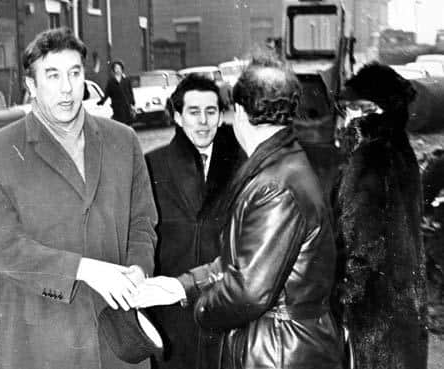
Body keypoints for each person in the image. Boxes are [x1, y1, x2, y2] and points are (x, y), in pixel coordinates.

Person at [134, 56, 343, 369]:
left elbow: (248, 290)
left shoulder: (274, 184)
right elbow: (246, 262)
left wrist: (198, 311)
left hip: (278, 353)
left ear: (240, 112)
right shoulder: (283, 165)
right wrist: (182, 286)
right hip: (280, 345)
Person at [0, 27, 157, 369]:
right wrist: (84, 269)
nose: (67, 88)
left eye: (75, 73)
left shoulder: (124, 141)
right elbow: (7, 250)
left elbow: (142, 222)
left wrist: (139, 268)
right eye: (52, 76)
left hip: (119, 340)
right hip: (43, 345)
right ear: (31, 86)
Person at [145, 74, 244, 369]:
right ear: (177, 116)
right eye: (194, 112)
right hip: (172, 307)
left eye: (210, 112)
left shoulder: (242, 163)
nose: (203, 121)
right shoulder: (152, 165)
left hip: (223, 304)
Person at [334, 62, 428, 369]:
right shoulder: (401, 149)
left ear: (372, 110)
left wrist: (342, 301)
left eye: (352, 107)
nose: (344, 116)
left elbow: (364, 245)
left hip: (374, 314)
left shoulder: (368, 159)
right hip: (404, 305)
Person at [98, 60, 136, 125]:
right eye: (116, 68)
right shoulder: (111, 81)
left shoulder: (126, 80)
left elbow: (130, 92)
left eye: (119, 68)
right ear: (113, 70)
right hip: (117, 106)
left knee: (128, 122)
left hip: (126, 105)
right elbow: (107, 93)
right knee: (119, 122)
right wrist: (102, 101)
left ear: (122, 69)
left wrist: (132, 103)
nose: (118, 70)